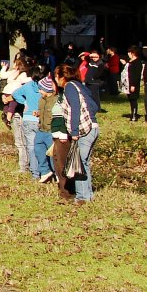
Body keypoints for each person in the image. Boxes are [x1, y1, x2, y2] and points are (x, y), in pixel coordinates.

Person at [54, 63, 99, 204]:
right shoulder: (80, 86)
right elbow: (94, 106)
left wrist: (74, 131)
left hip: (83, 130)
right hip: (93, 126)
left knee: (78, 163)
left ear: (62, 77)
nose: (55, 80)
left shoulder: (69, 88)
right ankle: (88, 195)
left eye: (56, 76)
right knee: (84, 163)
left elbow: (75, 109)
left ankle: (82, 197)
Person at [125, 46, 143, 122]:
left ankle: (134, 115)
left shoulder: (137, 62)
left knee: (133, 100)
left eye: (129, 52)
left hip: (133, 84)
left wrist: (133, 85)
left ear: (133, 53)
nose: (128, 54)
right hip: (128, 83)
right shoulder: (130, 61)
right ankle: (132, 113)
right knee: (130, 100)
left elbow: (137, 75)